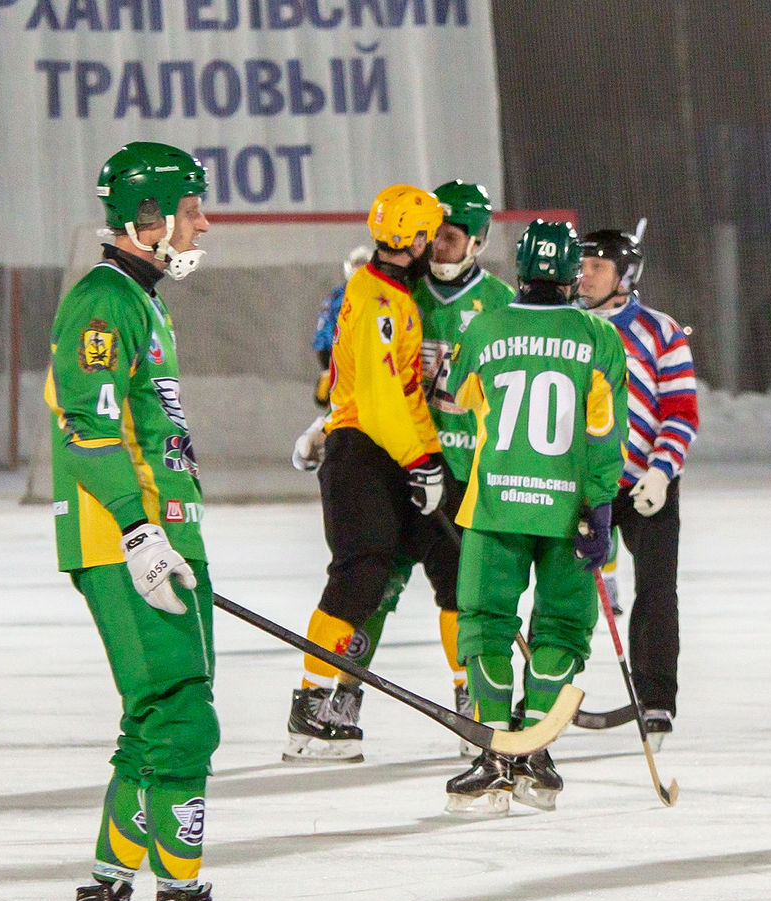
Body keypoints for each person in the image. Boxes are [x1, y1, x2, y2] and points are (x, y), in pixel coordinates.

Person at [49, 141, 267, 901]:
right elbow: (88, 429)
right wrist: (139, 533)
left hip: (159, 536)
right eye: (191, 209)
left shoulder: (142, 301)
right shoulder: (105, 301)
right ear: (148, 218)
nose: (202, 224)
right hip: (126, 539)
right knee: (182, 720)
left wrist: (166, 530)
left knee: (155, 723)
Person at [290, 182, 513, 752]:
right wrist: (417, 458)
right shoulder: (386, 297)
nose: (435, 247)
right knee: (366, 578)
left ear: (478, 242)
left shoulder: (418, 291)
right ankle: (319, 703)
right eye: (430, 236)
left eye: (449, 237)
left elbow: (400, 393)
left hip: (425, 460)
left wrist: (429, 460)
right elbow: (380, 395)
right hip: (374, 455)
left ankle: (469, 702)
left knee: (453, 579)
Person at [437, 220, 627, 814]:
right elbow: (605, 433)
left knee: (485, 624)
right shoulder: (600, 337)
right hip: (570, 510)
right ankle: (535, 754)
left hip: (495, 505)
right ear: (572, 273)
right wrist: (599, 503)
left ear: (519, 269)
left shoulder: (485, 327)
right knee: (563, 628)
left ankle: (494, 756)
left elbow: (458, 402)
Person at [577, 228, 699, 746]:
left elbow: (681, 410)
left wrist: (661, 470)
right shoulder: (567, 328)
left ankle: (656, 698)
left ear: (625, 277)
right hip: (587, 487)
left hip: (647, 486)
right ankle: (544, 691)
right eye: (581, 266)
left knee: (656, 590)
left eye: (597, 267)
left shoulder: (661, 331)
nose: (584, 276)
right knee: (566, 588)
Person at [310, 245, 372, 407]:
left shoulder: (385, 295)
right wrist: (327, 369)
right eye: (357, 264)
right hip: (344, 367)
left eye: (364, 264)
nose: (360, 269)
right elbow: (324, 334)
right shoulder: (336, 298)